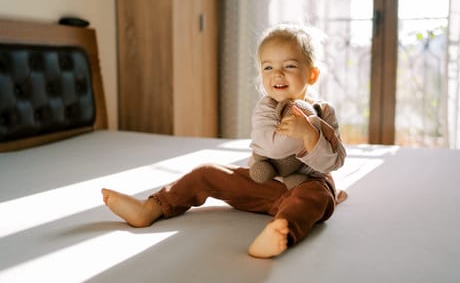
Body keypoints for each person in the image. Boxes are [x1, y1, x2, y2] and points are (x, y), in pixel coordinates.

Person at [101, 24, 347, 259]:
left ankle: (279, 231)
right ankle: (151, 208)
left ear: (312, 74)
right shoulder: (265, 109)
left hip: (308, 184)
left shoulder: (323, 112)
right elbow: (271, 147)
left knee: (314, 198)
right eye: (268, 67)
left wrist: (310, 134)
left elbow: (333, 162)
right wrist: (299, 133)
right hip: (267, 182)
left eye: (290, 66)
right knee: (206, 172)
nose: (278, 74)